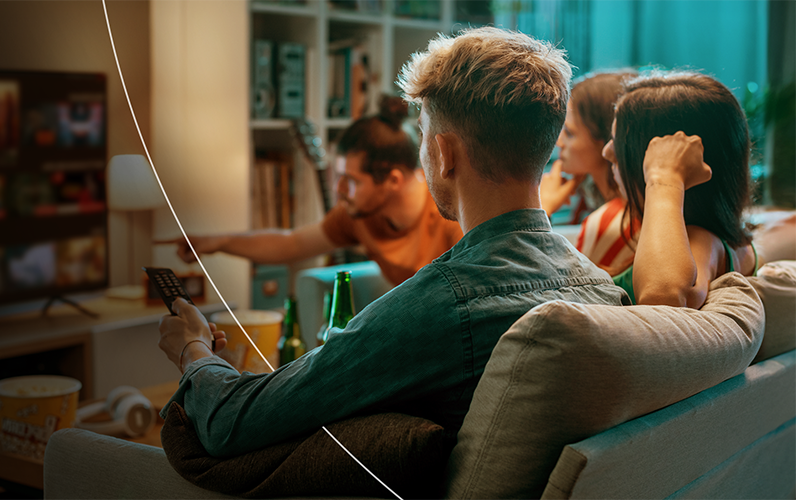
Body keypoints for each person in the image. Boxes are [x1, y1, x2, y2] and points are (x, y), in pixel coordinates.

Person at [154, 27, 628, 458]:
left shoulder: (443, 302)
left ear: (443, 154)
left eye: (423, 135)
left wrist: (193, 349)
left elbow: (230, 423)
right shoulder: (605, 291)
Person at [160, 97, 462, 286]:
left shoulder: (451, 218)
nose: (338, 189)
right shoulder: (358, 214)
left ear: (393, 180)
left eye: (350, 180)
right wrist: (219, 242)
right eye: (337, 176)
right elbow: (291, 244)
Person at [602, 71, 758, 308]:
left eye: (619, 144)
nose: (607, 152)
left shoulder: (702, 239)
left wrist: (665, 178)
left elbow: (663, 297)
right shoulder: (736, 245)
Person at [538, 71, 638, 276]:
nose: (559, 143)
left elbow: (561, 289)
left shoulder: (611, 222)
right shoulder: (630, 208)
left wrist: (542, 210)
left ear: (606, 142)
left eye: (570, 133)